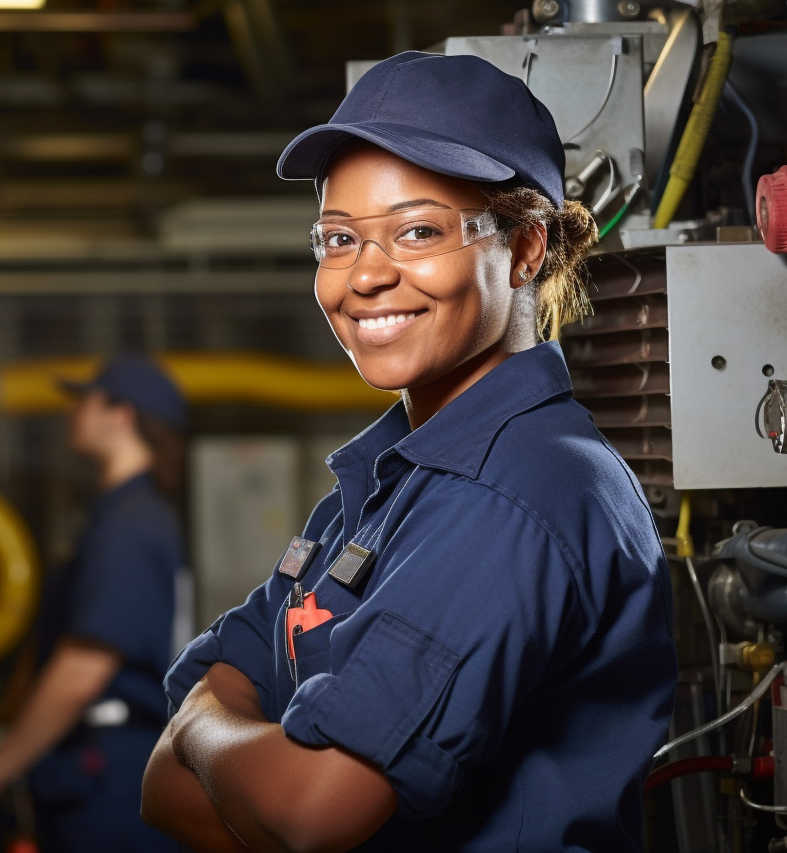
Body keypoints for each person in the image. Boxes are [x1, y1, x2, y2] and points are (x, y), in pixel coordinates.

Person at [141, 51, 677, 852]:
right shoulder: (387, 481)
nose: (364, 276)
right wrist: (240, 753)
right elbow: (161, 791)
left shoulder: (515, 494)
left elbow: (314, 814)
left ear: (527, 247)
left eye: (418, 231)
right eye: (337, 238)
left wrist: (203, 724)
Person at [0, 354, 189, 853]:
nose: (73, 414)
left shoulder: (131, 526)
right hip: (99, 765)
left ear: (120, 415)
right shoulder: (125, 517)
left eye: (85, 402)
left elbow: (83, 671)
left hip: (109, 776)